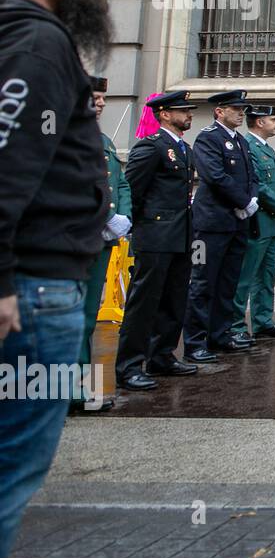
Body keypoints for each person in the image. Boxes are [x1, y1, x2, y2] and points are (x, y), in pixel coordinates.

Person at [0, 0, 114, 557]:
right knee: (12, 469)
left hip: (36, 286)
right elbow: (7, 162)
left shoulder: (34, 41)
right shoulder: (38, 46)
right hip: (33, 293)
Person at [115, 91, 199, 387]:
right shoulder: (151, 147)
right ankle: (128, 366)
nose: (189, 114)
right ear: (164, 114)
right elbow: (133, 189)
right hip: (155, 235)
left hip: (180, 234)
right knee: (144, 302)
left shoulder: (184, 148)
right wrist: (134, 226)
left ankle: (161, 355)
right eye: (183, 110)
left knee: (174, 299)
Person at [181, 90, 258, 358]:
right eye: (235, 109)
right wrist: (242, 202)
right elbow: (215, 176)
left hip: (236, 223)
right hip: (212, 222)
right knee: (203, 282)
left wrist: (252, 200)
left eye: (243, 109)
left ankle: (220, 334)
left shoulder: (241, 142)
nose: (241, 113)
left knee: (228, 282)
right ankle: (195, 343)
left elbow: (252, 176)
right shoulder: (208, 138)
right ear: (219, 111)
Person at [72, 75, 131, 413]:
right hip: (75, 240)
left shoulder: (104, 140)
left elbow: (119, 184)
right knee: (71, 317)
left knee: (90, 314)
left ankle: (77, 389)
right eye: (95, 96)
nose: (102, 102)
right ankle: (65, 392)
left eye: (103, 97)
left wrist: (123, 217)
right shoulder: (59, 137)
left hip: (103, 240)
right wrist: (104, 218)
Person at [230, 104, 275, 340]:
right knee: (246, 276)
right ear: (260, 122)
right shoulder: (249, 146)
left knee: (266, 275)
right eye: (273, 119)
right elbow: (258, 183)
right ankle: (237, 325)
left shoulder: (265, 148)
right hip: (259, 221)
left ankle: (262, 320)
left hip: (274, 222)